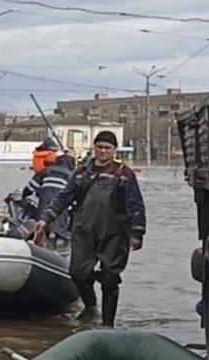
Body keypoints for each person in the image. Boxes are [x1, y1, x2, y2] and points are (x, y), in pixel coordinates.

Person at [35, 130, 146, 327]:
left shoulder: (124, 174)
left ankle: (107, 325)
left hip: (115, 233)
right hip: (84, 230)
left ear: (114, 150)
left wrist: (137, 233)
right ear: (94, 148)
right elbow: (63, 198)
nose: (103, 151)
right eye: (100, 147)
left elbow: (135, 204)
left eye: (107, 148)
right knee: (78, 273)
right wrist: (45, 219)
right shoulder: (80, 173)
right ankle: (91, 307)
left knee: (110, 278)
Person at [20, 153, 74, 243]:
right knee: (60, 221)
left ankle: (38, 241)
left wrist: (23, 196)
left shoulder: (46, 170)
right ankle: (59, 241)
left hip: (44, 200)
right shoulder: (71, 175)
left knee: (41, 222)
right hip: (61, 201)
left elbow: (31, 186)